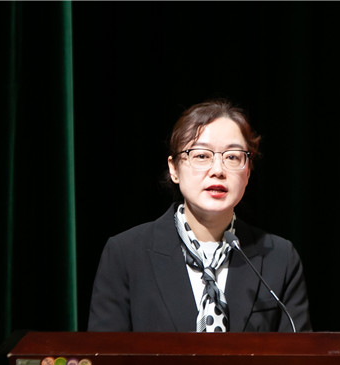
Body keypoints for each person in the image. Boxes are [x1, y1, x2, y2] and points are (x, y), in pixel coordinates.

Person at [87, 99, 312, 332]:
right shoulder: (126, 255)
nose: (218, 170)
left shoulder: (280, 258)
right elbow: (105, 352)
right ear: (174, 168)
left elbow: (299, 353)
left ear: (247, 172)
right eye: (202, 155)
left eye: (232, 157)